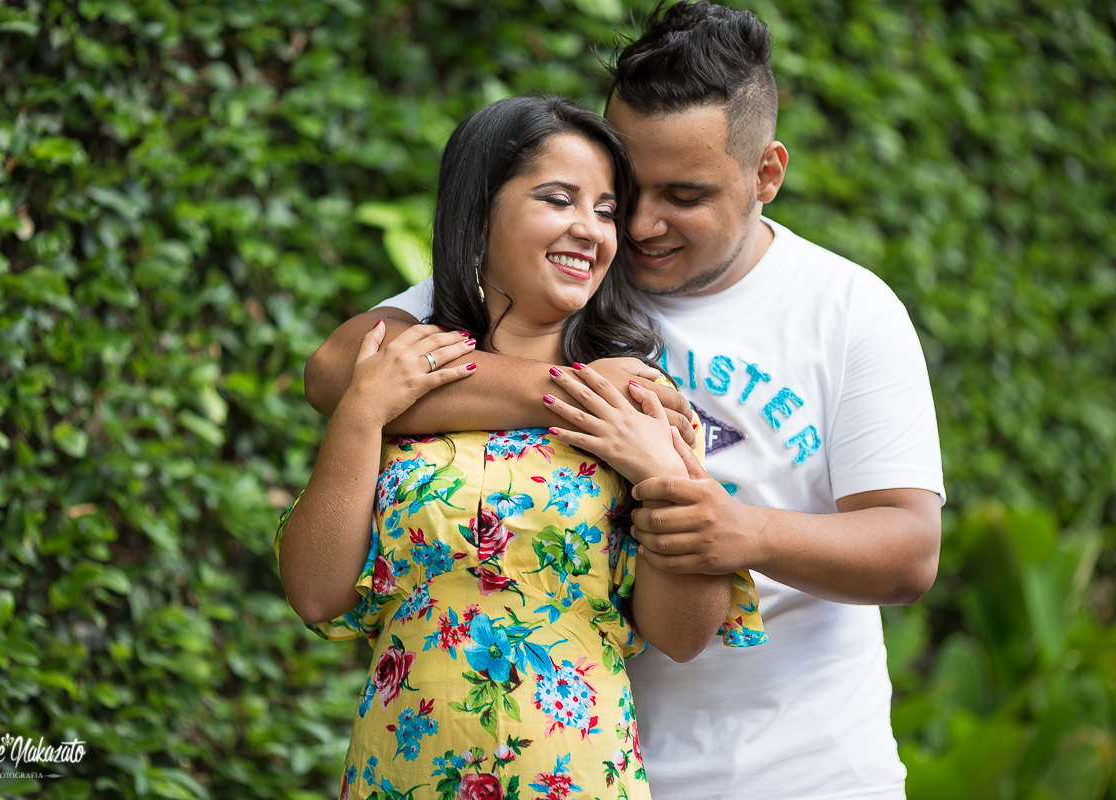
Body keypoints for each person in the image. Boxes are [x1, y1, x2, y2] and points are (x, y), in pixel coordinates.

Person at [303, 3, 945, 798]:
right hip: (572, 765)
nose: (638, 224)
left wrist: (740, 530)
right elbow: (340, 371)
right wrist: (592, 395)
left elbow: (907, 550)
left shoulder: (847, 309)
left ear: (766, 175)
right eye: (626, 190)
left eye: (684, 195)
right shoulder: (565, 269)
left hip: (799, 771)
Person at [275, 96, 765, 800]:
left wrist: (661, 472)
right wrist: (361, 413)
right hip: (403, 775)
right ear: (478, 216)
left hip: (580, 776)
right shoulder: (400, 375)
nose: (589, 229)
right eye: (558, 199)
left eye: (605, 211)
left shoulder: (636, 400)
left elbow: (682, 634)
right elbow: (316, 593)